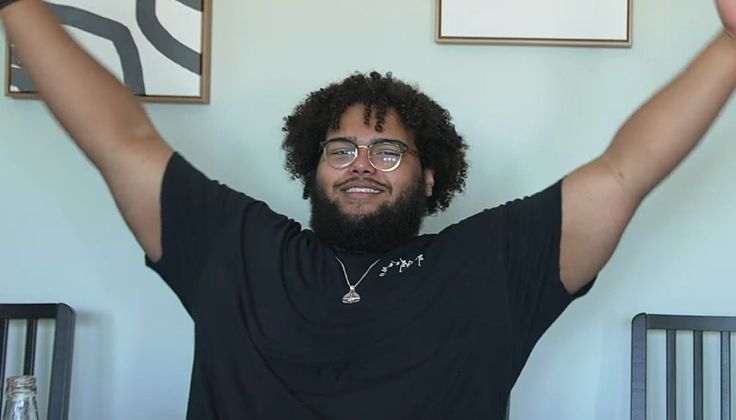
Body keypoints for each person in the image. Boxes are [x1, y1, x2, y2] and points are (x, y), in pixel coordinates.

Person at [2, 0, 736, 418]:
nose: (360, 163)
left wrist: (731, 42)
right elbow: (121, 141)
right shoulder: (237, 245)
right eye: (340, 149)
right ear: (310, 167)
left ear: (429, 175)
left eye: (388, 153)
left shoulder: (492, 263)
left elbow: (625, 171)